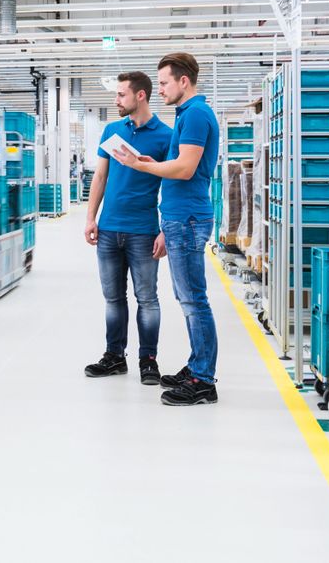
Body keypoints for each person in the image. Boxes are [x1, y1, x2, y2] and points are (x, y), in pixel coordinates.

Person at [110, 52, 220, 406]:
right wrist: (150, 162)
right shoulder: (188, 114)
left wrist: (142, 169)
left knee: (194, 301)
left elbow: (186, 170)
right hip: (179, 216)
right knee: (186, 298)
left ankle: (203, 379)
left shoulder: (197, 115)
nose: (159, 90)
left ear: (183, 81)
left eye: (163, 83)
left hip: (187, 218)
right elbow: (178, 164)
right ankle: (196, 366)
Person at [83, 71, 172, 384]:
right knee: (113, 298)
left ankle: (148, 360)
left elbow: (173, 185)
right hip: (108, 229)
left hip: (143, 230)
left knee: (147, 299)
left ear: (140, 96)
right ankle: (114, 356)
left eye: (121, 94)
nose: (116, 100)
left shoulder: (165, 136)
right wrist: (91, 217)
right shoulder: (112, 130)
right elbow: (100, 177)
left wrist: (164, 230)